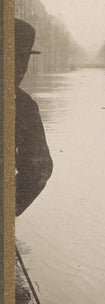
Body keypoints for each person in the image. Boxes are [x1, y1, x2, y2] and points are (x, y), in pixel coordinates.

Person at [15, 18, 53, 216]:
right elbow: (39, 169)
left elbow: (38, 169)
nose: (22, 67)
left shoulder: (24, 105)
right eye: (19, 59)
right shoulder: (22, 105)